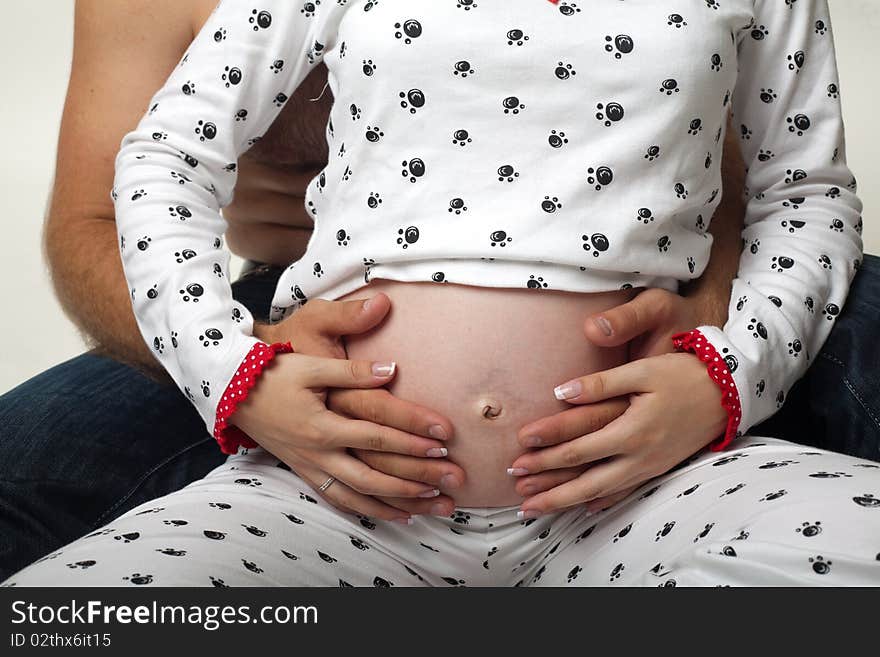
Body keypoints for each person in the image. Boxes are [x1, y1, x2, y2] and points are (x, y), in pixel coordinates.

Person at [4, 0, 879, 587]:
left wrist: (728, 373)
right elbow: (161, 161)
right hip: (330, 485)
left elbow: (801, 193)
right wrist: (238, 370)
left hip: (651, 474)